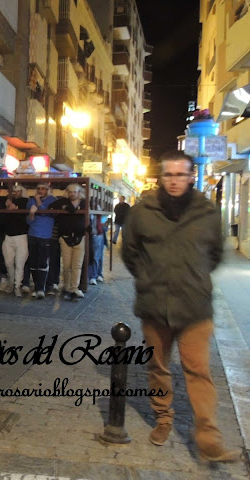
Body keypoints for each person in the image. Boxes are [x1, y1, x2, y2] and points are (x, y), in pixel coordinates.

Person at [122, 151, 239, 462]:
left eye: (180, 175)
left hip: (195, 308)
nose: (174, 181)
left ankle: (209, 439)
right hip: (154, 304)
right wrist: (148, 278)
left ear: (190, 177)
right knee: (158, 368)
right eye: (168, 175)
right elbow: (130, 254)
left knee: (199, 372)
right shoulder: (143, 211)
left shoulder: (208, 213)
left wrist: (194, 279)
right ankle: (164, 419)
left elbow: (215, 254)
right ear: (161, 177)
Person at [49, 184, 87, 300]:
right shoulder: (62, 202)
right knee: (66, 265)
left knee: (77, 265)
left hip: (79, 237)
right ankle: (67, 287)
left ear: (78, 192)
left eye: (74, 192)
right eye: (70, 192)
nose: (72, 194)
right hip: (65, 237)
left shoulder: (84, 203)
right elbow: (51, 206)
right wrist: (65, 207)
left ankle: (74, 288)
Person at [25, 183, 58, 299]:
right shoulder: (31, 201)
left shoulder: (52, 200)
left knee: (43, 262)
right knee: (33, 262)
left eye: (43, 188)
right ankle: (37, 287)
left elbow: (45, 212)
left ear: (48, 190)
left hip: (45, 235)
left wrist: (38, 201)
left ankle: (42, 288)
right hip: (32, 234)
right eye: (38, 188)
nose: (40, 190)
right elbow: (29, 221)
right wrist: (31, 214)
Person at [0, 184, 29, 295]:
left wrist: (14, 207)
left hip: (21, 236)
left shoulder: (25, 202)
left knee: (19, 263)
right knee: (8, 263)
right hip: (8, 236)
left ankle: (17, 286)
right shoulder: (7, 202)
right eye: (14, 191)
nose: (15, 193)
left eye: (18, 191)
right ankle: (12, 283)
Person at [88, 214, 107, 285]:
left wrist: (101, 225)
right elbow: (105, 217)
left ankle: (94, 275)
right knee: (97, 255)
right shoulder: (99, 207)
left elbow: (105, 217)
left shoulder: (95, 208)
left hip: (97, 233)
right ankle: (97, 274)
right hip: (98, 233)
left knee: (97, 256)